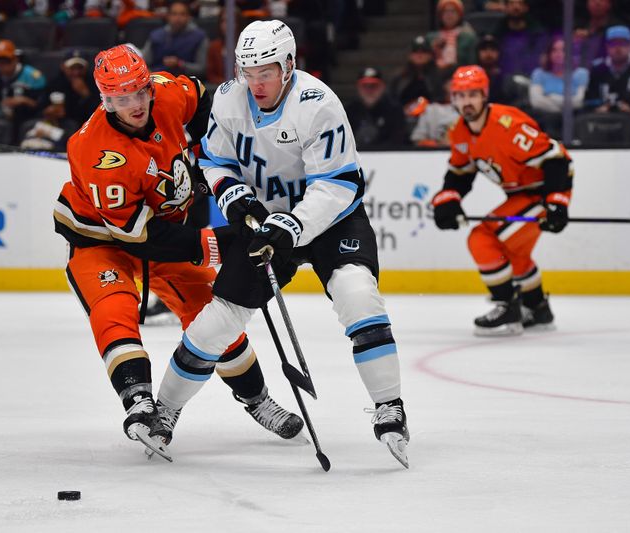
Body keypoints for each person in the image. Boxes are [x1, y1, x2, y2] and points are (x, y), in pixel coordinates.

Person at [153, 20, 410, 467]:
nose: (255, 83)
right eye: (247, 72)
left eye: (265, 72)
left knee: (356, 293)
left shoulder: (318, 104)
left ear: (289, 65)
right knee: (217, 321)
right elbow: (214, 160)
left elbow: (335, 185)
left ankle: (390, 408)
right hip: (265, 222)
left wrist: (290, 225)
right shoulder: (229, 99)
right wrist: (234, 197)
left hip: (331, 220)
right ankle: (165, 411)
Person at [52, 44, 303, 458]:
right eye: (119, 97)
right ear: (104, 99)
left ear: (150, 86)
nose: (133, 104)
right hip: (102, 240)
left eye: (138, 91)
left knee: (213, 318)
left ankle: (257, 400)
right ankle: (139, 403)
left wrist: (219, 154)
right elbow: (140, 236)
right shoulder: (96, 153)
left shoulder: (167, 92)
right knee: (115, 308)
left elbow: (206, 101)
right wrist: (217, 243)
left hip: (163, 229)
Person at [431, 65, 573, 336]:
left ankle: (507, 306)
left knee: (481, 238)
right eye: (460, 96)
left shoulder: (507, 124)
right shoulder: (459, 131)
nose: (466, 102)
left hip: (544, 189)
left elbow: (555, 159)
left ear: (484, 94)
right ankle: (538, 308)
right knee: (514, 253)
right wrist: (447, 199)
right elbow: (460, 173)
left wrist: (556, 201)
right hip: (521, 194)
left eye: (472, 94)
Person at [528, 36, 589, 136]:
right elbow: (536, 101)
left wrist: (552, 97)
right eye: (554, 50)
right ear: (548, 53)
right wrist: (561, 111)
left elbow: (578, 101)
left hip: (573, 119)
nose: (558, 54)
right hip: (546, 120)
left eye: (563, 50)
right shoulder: (539, 73)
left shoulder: (581, 73)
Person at [345, 66, 408, 150]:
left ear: (382, 87)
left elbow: (398, 140)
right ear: (358, 88)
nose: (369, 90)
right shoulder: (349, 110)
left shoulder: (394, 110)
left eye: (374, 86)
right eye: (365, 86)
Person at [144, 0, 209, 79]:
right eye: (174, 14)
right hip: (158, 81)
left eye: (182, 14)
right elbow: (144, 63)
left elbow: (202, 69)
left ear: (189, 16)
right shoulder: (156, 36)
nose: (178, 18)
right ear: (168, 16)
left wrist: (180, 64)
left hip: (188, 83)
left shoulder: (199, 37)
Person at [427, 0, 477, 69]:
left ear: (460, 14)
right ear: (440, 15)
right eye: (445, 11)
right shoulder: (431, 37)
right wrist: (434, 49)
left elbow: (472, 64)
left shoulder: (468, 37)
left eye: (453, 11)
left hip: (462, 76)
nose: (449, 14)